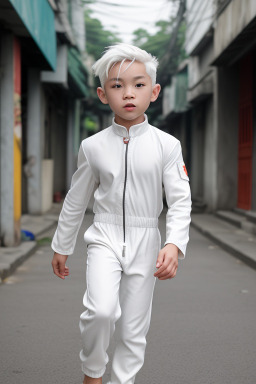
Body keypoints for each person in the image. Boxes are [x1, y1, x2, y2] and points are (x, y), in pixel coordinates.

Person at [51, 43, 191, 384]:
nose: (128, 93)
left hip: (146, 240)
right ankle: (93, 372)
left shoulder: (167, 145)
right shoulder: (93, 146)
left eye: (138, 84)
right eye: (117, 85)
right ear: (102, 94)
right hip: (104, 236)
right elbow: (75, 198)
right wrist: (62, 244)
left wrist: (174, 244)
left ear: (154, 91)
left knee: (133, 327)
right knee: (100, 311)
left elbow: (180, 199)